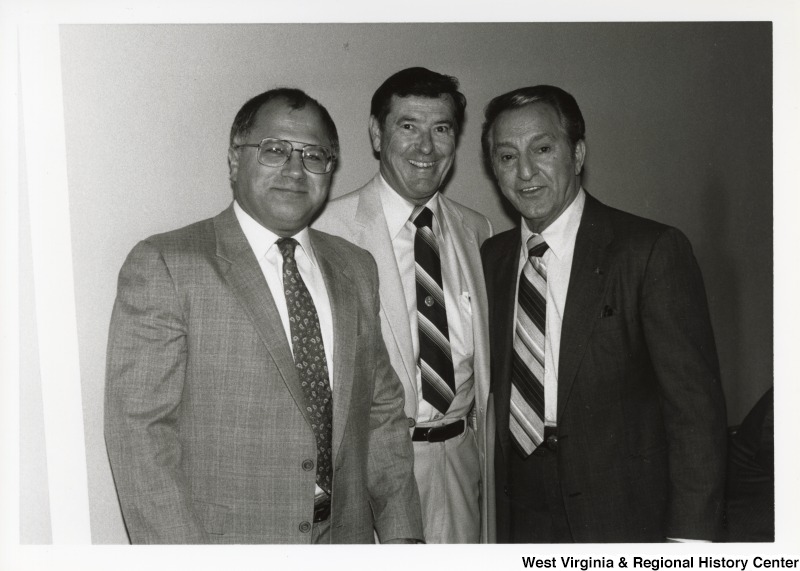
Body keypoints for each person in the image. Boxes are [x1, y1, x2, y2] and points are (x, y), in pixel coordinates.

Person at [104, 88, 423, 544]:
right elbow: (140, 438)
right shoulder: (169, 264)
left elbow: (382, 413)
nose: (295, 170)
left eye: (315, 155)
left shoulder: (355, 267)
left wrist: (402, 536)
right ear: (235, 160)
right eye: (274, 151)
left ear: (330, 170)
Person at [480, 85, 727, 543]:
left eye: (543, 148)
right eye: (506, 156)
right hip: (519, 511)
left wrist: (690, 544)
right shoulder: (491, 259)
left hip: (623, 510)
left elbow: (696, 414)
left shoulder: (648, 251)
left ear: (577, 154)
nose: (526, 172)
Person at [314, 67, 494, 543]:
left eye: (441, 129)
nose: (425, 147)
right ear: (377, 133)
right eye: (407, 126)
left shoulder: (478, 232)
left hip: (459, 459)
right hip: (366, 471)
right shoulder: (326, 231)